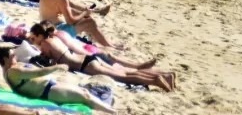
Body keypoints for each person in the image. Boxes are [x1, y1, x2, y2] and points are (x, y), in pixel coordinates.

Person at [26, 22, 173, 91]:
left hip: (85, 65)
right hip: (88, 59)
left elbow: (48, 62)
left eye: (33, 38)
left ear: (40, 35)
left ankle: (155, 81)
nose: (34, 42)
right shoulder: (55, 37)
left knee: (123, 77)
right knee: (124, 73)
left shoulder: (45, 44)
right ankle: (158, 77)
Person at [0, 47, 115, 113]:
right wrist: (57, 67)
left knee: (85, 93)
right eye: (12, 55)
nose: (15, 56)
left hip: (51, 85)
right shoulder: (12, 72)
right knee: (85, 96)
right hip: (48, 91)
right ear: (5, 59)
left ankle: (109, 110)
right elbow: (38, 73)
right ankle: (112, 112)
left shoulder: (13, 68)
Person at [38, 0, 114, 48]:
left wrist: (84, 13)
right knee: (90, 22)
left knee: (78, 14)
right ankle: (108, 46)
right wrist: (84, 13)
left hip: (47, 29)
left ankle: (97, 34)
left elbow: (71, 3)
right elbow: (70, 21)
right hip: (55, 33)